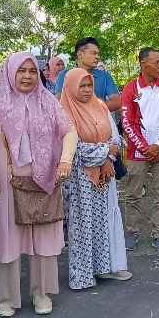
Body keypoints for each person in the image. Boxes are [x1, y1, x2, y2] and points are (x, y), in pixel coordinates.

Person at [0, 52, 77, 318]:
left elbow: (69, 131)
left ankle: (41, 293)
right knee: (9, 238)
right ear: (10, 72)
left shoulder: (48, 100)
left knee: (42, 238)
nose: (27, 76)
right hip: (5, 182)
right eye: (21, 70)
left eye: (32, 70)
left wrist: (64, 161)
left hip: (43, 181)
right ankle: (7, 298)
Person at [60, 68, 130, 289]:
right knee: (83, 223)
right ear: (70, 87)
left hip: (104, 174)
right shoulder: (64, 110)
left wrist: (109, 154)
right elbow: (75, 148)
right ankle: (82, 276)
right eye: (81, 85)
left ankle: (104, 268)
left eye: (89, 85)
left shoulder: (100, 105)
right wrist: (105, 152)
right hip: (80, 177)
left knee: (104, 220)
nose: (86, 90)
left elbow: (115, 138)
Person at [120, 48, 159, 254]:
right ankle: (131, 232)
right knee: (133, 194)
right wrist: (145, 147)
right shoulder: (131, 89)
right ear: (144, 65)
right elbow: (127, 122)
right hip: (138, 153)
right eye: (158, 63)